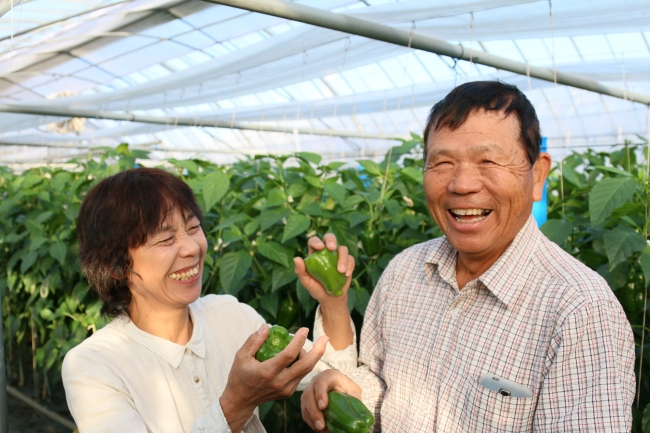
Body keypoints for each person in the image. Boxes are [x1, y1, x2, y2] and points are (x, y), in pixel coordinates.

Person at [301, 81, 636, 432]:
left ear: (537, 175)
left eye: (488, 160)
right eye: (442, 162)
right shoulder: (404, 271)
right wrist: (352, 390)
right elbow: (382, 382)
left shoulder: (580, 311)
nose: (462, 184)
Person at [62, 167, 357, 433]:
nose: (192, 247)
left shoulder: (230, 316)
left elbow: (340, 376)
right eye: (165, 239)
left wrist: (333, 300)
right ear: (115, 266)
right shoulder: (94, 365)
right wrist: (236, 404)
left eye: (193, 228)